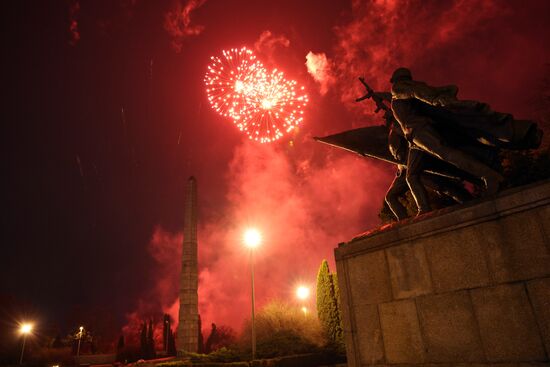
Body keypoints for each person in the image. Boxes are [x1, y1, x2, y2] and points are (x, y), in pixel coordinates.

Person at [390, 67, 507, 196]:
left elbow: (415, 92)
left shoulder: (398, 88)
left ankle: (489, 176)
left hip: (419, 130)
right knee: (412, 175)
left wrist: (433, 99)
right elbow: (418, 92)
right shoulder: (401, 94)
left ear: (396, 80)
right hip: (413, 138)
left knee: (448, 154)